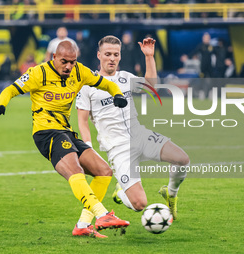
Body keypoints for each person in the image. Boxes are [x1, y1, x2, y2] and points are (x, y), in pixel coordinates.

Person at [0, 41, 130, 238]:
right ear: (54, 57)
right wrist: (1, 104)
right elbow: (11, 89)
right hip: (46, 132)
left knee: (103, 171)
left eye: (72, 62)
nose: (68, 66)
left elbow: (106, 83)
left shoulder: (79, 71)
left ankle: (82, 225)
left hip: (66, 131)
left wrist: (118, 95)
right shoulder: (38, 73)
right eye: (64, 61)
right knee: (75, 169)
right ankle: (103, 215)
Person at [75, 36, 190, 222]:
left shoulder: (125, 77)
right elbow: (82, 120)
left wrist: (149, 57)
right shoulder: (88, 86)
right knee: (139, 204)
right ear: (99, 55)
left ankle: (171, 193)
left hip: (140, 136)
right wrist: (88, 146)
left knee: (182, 159)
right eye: (107, 54)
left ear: (120, 56)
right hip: (118, 148)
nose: (112, 58)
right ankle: (120, 192)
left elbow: (151, 86)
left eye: (116, 54)